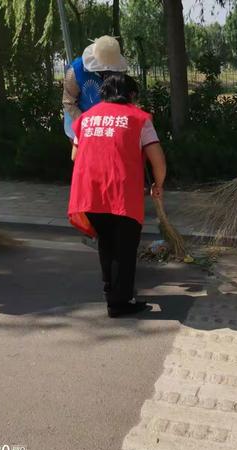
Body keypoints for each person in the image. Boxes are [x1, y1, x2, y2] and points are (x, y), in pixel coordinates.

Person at [68, 73, 167, 318]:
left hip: (90, 191)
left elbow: (74, 156)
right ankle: (120, 303)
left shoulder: (86, 119)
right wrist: (158, 183)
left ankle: (110, 291)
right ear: (130, 94)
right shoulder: (139, 118)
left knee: (107, 243)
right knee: (124, 248)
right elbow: (158, 159)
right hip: (121, 191)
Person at [62, 35, 128, 140]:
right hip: (80, 119)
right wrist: (86, 124)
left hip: (107, 123)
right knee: (82, 154)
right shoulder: (75, 72)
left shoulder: (118, 72)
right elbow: (69, 102)